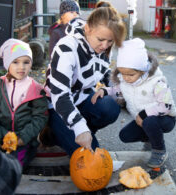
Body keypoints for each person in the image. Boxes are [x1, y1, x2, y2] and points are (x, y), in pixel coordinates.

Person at [44, 7, 126, 156]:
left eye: (110, 41)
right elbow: (60, 95)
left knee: (111, 107)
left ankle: (78, 133)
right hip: (59, 106)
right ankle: (59, 131)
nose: (105, 46)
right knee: (90, 157)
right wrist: (79, 127)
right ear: (87, 28)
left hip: (82, 98)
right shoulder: (66, 48)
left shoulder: (104, 46)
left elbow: (104, 72)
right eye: (101, 40)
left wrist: (115, 88)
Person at [91, 38, 176, 168]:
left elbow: (166, 105)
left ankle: (159, 150)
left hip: (165, 118)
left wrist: (143, 114)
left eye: (130, 75)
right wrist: (105, 91)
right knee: (125, 135)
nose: (125, 78)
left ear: (142, 70)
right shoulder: (126, 80)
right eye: (123, 74)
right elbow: (118, 90)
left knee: (149, 121)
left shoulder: (157, 82)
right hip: (143, 120)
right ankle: (150, 139)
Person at [0, 38, 48, 169]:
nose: (21, 67)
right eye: (15, 62)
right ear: (7, 64)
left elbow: (40, 117)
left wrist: (23, 137)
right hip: (0, 135)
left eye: (26, 62)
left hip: (23, 140)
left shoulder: (36, 89)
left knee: (13, 165)